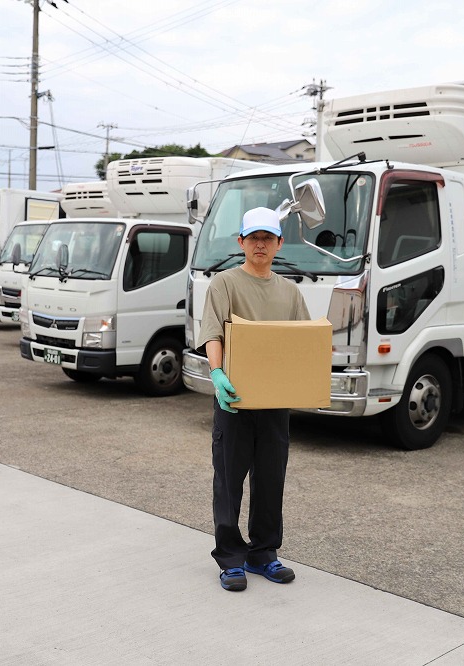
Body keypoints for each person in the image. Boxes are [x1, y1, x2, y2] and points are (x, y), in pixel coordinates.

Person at [197, 206, 311, 592]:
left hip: (274, 403)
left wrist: (305, 382)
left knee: (270, 479)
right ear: (241, 242)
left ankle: (263, 554)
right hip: (235, 399)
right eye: (253, 237)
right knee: (229, 480)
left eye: (268, 238)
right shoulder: (224, 285)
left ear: (279, 243)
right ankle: (230, 559)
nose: (260, 244)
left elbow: (303, 344)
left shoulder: (290, 292)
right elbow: (214, 333)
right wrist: (217, 375)